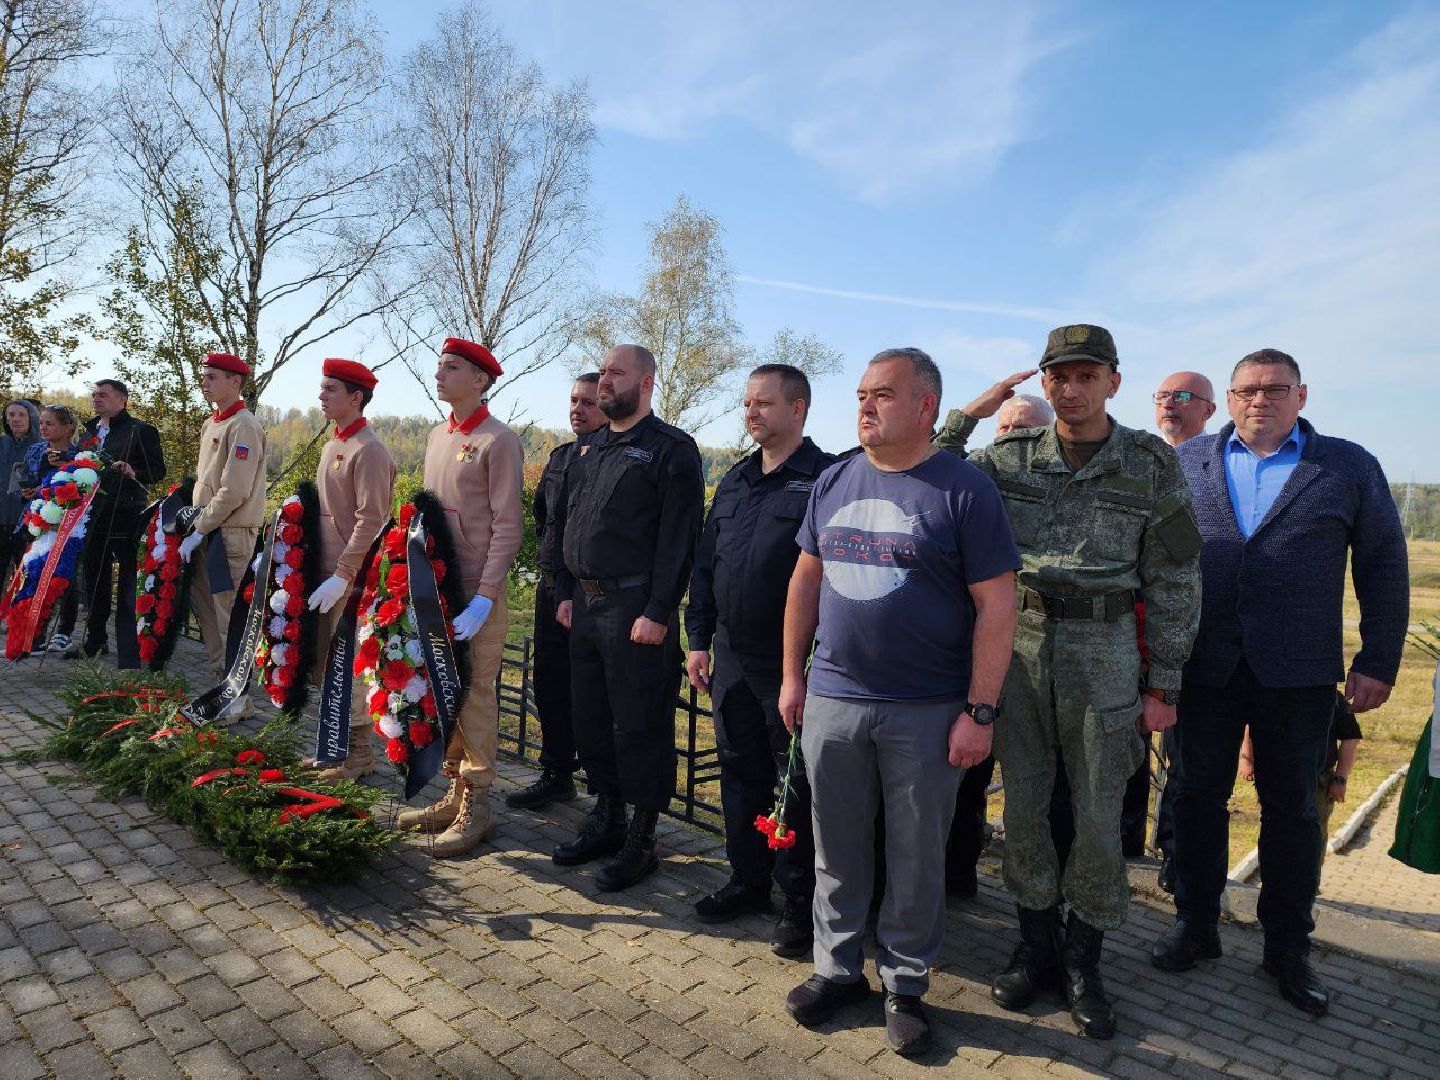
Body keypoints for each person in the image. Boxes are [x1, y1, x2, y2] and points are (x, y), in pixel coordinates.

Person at [935, 324, 1202, 1040]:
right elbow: (930, 465)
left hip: (1105, 649)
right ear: (1044, 383)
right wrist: (972, 411)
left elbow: (1176, 576)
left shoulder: (1147, 462)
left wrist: (1164, 683)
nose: (1072, 388)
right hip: (1018, 648)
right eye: (1059, 376)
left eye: (1087, 376)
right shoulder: (1012, 456)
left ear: (1113, 381)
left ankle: (1085, 962)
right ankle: (1035, 948)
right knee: (1022, 804)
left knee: (1096, 814)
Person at [1151, 348, 1409, 1018]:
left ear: (1301, 395)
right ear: (1229, 399)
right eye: (1246, 390)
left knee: (1293, 812)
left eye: (1275, 389)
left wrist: (1378, 657)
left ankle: (1287, 947)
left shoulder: (1346, 466)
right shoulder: (1187, 463)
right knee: (1197, 799)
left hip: (1298, 675)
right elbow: (1150, 555)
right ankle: (1196, 925)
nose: (1259, 400)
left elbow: (1382, 562)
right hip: (1204, 668)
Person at [780, 347, 1019, 1057]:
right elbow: (804, 584)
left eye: (882, 394)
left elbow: (997, 607)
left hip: (926, 708)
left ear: (925, 406)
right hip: (835, 697)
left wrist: (980, 712)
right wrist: (794, 677)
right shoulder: (833, 481)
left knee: (916, 854)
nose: (865, 406)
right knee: (837, 845)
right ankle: (836, 970)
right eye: (860, 394)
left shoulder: (965, 491)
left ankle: (906, 983)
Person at [685, 364, 837, 954]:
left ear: (798, 408)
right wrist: (697, 638)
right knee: (739, 771)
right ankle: (747, 880)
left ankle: (800, 904)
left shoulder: (825, 478)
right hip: (730, 655)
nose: (751, 412)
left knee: (795, 784)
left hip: (791, 662)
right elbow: (706, 564)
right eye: (746, 403)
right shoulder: (735, 479)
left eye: (764, 403)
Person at [549, 344, 705, 891]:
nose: (605, 382)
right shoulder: (589, 449)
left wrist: (660, 611)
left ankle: (642, 838)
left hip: (635, 609)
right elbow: (567, 522)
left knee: (638, 726)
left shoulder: (670, 450)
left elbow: (679, 538)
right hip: (585, 607)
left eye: (617, 373)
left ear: (645, 384)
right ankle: (608, 818)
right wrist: (565, 589)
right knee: (591, 720)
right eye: (604, 372)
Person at [394, 338, 523, 857]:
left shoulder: (498, 441)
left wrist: (487, 596)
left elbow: (507, 527)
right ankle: (454, 789)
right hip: (436, 588)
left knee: (475, 694)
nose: (440, 374)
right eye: (439, 366)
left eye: (452, 368)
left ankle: (480, 805)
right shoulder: (436, 436)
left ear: (481, 380)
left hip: (474, 593)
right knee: (441, 688)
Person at [945, 394, 1057, 897]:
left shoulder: (1062, 484)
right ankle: (957, 873)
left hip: (1044, 653)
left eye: (1027, 428)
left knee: (1038, 785)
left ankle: (1039, 896)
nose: (1014, 437)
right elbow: (937, 453)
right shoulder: (976, 479)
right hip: (978, 650)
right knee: (967, 774)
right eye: (1006, 428)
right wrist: (971, 413)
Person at [506, 374, 605, 812]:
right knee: (549, 685)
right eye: (573, 400)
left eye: (588, 402)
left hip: (591, 595)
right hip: (551, 591)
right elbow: (545, 515)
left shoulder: (611, 457)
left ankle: (605, 793)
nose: (577, 409)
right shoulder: (561, 456)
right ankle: (556, 772)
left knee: (592, 695)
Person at [308, 358, 396, 780]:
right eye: (322, 389)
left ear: (355, 397)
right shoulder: (334, 444)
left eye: (330, 390)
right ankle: (334, 748)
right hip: (326, 574)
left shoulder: (369, 450)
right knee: (328, 664)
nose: (321, 397)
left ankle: (359, 755)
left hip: (352, 578)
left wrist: (343, 573)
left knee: (350, 666)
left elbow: (372, 519)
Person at [1150, 371, 1218, 891]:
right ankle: (1130, 842)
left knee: (1185, 758)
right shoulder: (1139, 457)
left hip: (1198, 640)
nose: (1170, 404)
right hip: (1132, 634)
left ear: (1209, 410)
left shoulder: (1218, 465)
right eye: (1163, 396)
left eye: (1184, 397)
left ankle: (1176, 861)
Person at [179, 355, 266, 691]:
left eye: (213, 377)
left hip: (228, 533)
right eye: (204, 377)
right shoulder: (213, 422)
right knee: (208, 612)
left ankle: (238, 692)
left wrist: (201, 528)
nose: (204, 382)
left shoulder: (242, 425)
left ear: (235, 382)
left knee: (229, 615)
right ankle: (220, 680)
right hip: (205, 530)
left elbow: (235, 490)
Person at [71, 380, 166, 666]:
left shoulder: (141, 430)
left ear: (122, 400)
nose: (97, 399)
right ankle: (95, 640)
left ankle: (131, 647)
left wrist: (132, 470)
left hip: (126, 515)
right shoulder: (88, 431)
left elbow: (157, 471)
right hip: (93, 515)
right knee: (94, 580)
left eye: (104, 395)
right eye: (94, 395)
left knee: (127, 583)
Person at [1237, 691, 1360, 875]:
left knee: (1311, 834)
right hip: (1275, 774)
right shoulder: (1273, 688)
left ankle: (1307, 888)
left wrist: (1340, 778)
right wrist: (1246, 758)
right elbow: (1251, 723)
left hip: (1317, 779)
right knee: (1274, 830)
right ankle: (1272, 882)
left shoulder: (1332, 698)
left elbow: (1350, 737)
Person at [19, 406, 81, 650]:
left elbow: (84, 489)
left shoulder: (80, 454)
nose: (43, 428)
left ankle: (64, 631)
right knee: (34, 573)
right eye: (42, 423)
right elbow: (25, 478)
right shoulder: (35, 450)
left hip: (68, 524)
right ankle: (35, 632)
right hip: (38, 520)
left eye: (50, 423)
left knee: (65, 577)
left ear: (67, 428)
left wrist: (62, 467)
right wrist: (28, 492)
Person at [0, 400, 41, 592]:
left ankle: (27, 621)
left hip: (28, 525)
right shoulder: (2, 443)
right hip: (1, 522)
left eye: (21, 415)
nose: (15, 419)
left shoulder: (43, 446)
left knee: (30, 580)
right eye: (11, 415)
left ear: (32, 417)